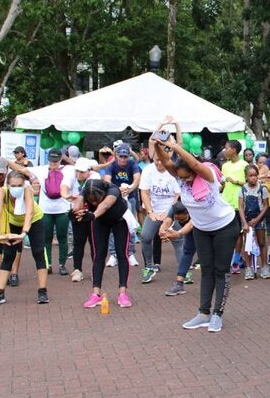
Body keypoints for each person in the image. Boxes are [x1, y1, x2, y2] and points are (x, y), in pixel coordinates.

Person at [154, 130, 240, 333]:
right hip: (202, 229)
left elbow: (193, 164)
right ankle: (203, 313)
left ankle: (217, 314)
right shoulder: (182, 177)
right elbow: (168, 164)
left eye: (188, 178)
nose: (185, 182)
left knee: (221, 270)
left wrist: (176, 147)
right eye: (181, 179)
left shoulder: (208, 176)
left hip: (225, 227)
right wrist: (158, 144)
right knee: (206, 270)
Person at [8, 150, 75, 275]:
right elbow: (22, 170)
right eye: (51, 160)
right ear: (48, 159)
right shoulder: (41, 169)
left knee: (62, 237)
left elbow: (84, 167)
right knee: (46, 238)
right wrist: (5, 161)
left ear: (61, 159)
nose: (53, 163)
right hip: (46, 210)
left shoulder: (69, 169)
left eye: (56, 160)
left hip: (63, 209)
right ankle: (48, 264)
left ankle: (62, 264)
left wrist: (67, 159)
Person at [0, 171, 49, 306]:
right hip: (13, 222)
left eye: (19, 185)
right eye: (13, 185)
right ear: (8, 185)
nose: (17, 188)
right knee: (8, 255)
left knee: (38, 252)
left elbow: (30, 212)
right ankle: (0, 293)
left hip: (34, 221)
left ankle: (42, 291)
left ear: (24, 184)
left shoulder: (27, 190)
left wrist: (24, 233)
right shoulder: (2, 192)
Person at [72, 179, 134, 308]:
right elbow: (78, 202)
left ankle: (122, 293)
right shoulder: (86, 190)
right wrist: (76, 211)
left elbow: (105, 205)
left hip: (120, 219)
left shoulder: (112, 190)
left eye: (96, 200)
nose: (94, 202)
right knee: (99, 254)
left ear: (102, 193)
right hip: (100, 221)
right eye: (91, 201)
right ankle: (96, 294)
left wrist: (93, 215)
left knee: (121, 253)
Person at [138, 154, 181, 283]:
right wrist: (150, 212)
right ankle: (149, 268)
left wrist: (169, 213)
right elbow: (144, 192)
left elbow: (178, 194)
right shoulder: (148, 170)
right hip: (155, 211)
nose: (158, 163)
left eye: (161, 161)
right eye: (156, 160)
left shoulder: (173, 170)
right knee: (145, 236)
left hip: (172, 211)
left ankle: (184, 270)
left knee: (178, 239)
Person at [103, 143, 141, 266]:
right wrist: (116, 189)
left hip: (130, 198)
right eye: (121, 156)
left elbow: (137, 179)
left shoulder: (133, 164)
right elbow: (107, 180)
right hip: (115, 198)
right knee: (113, 226)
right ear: (116, 156)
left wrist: (129, 189)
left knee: (130, 226)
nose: (123, 159)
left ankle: (130, 253)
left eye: (125, 157)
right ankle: (114, 254)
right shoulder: (112, 165)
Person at [63, 158, 101, 282]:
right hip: (76, 214)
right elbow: (64, 187)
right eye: (77, 171)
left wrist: (78, 200)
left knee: (94, 243)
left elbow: (88, 196)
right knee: (78, 243)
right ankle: (77, 270)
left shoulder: (95, 177)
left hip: (91, 214)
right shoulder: (70, 174)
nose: (79, 174)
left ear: (88, 171)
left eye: (82, 172)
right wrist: (66, 195)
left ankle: (96, 270)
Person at [221, 140, 249, 273]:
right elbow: (223, 183)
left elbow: (250, 182)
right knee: (225, 232)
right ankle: (230, 258)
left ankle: (236, 260)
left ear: (233, 149)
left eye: (226, 148)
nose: (224, 150)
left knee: (238, 233)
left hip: (239, 204)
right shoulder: (225, 166)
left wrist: (236, 182)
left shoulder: (244, 164)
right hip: (225, 203)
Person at [238, 164, 270, 279]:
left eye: (255, 175)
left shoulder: (262, 189)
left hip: (259, 218)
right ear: (246, 177)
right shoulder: (243, 189)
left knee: (262, 242)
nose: (253, 178)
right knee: (247, 244)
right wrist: (245, 223)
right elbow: (241, 207)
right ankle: (248, 268)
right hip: (247, 219)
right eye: (251, 176)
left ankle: (265, 267)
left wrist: (257, 219)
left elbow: (266, 205)